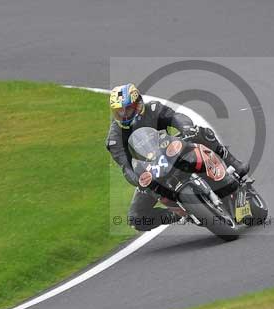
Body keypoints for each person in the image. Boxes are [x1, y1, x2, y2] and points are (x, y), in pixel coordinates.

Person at [106, 83, 249, 231]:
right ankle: (178, 214)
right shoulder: (114, 138)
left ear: (138, 104)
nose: (124, 115)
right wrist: (139, 180)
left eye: (128, 109)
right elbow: (125, 166)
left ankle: (233, 162)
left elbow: (176, 117)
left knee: (201, 132)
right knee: (136, 218)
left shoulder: (153, 109)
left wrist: (186, 128)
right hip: (150, 172)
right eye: (119, 112)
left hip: (171, 150)